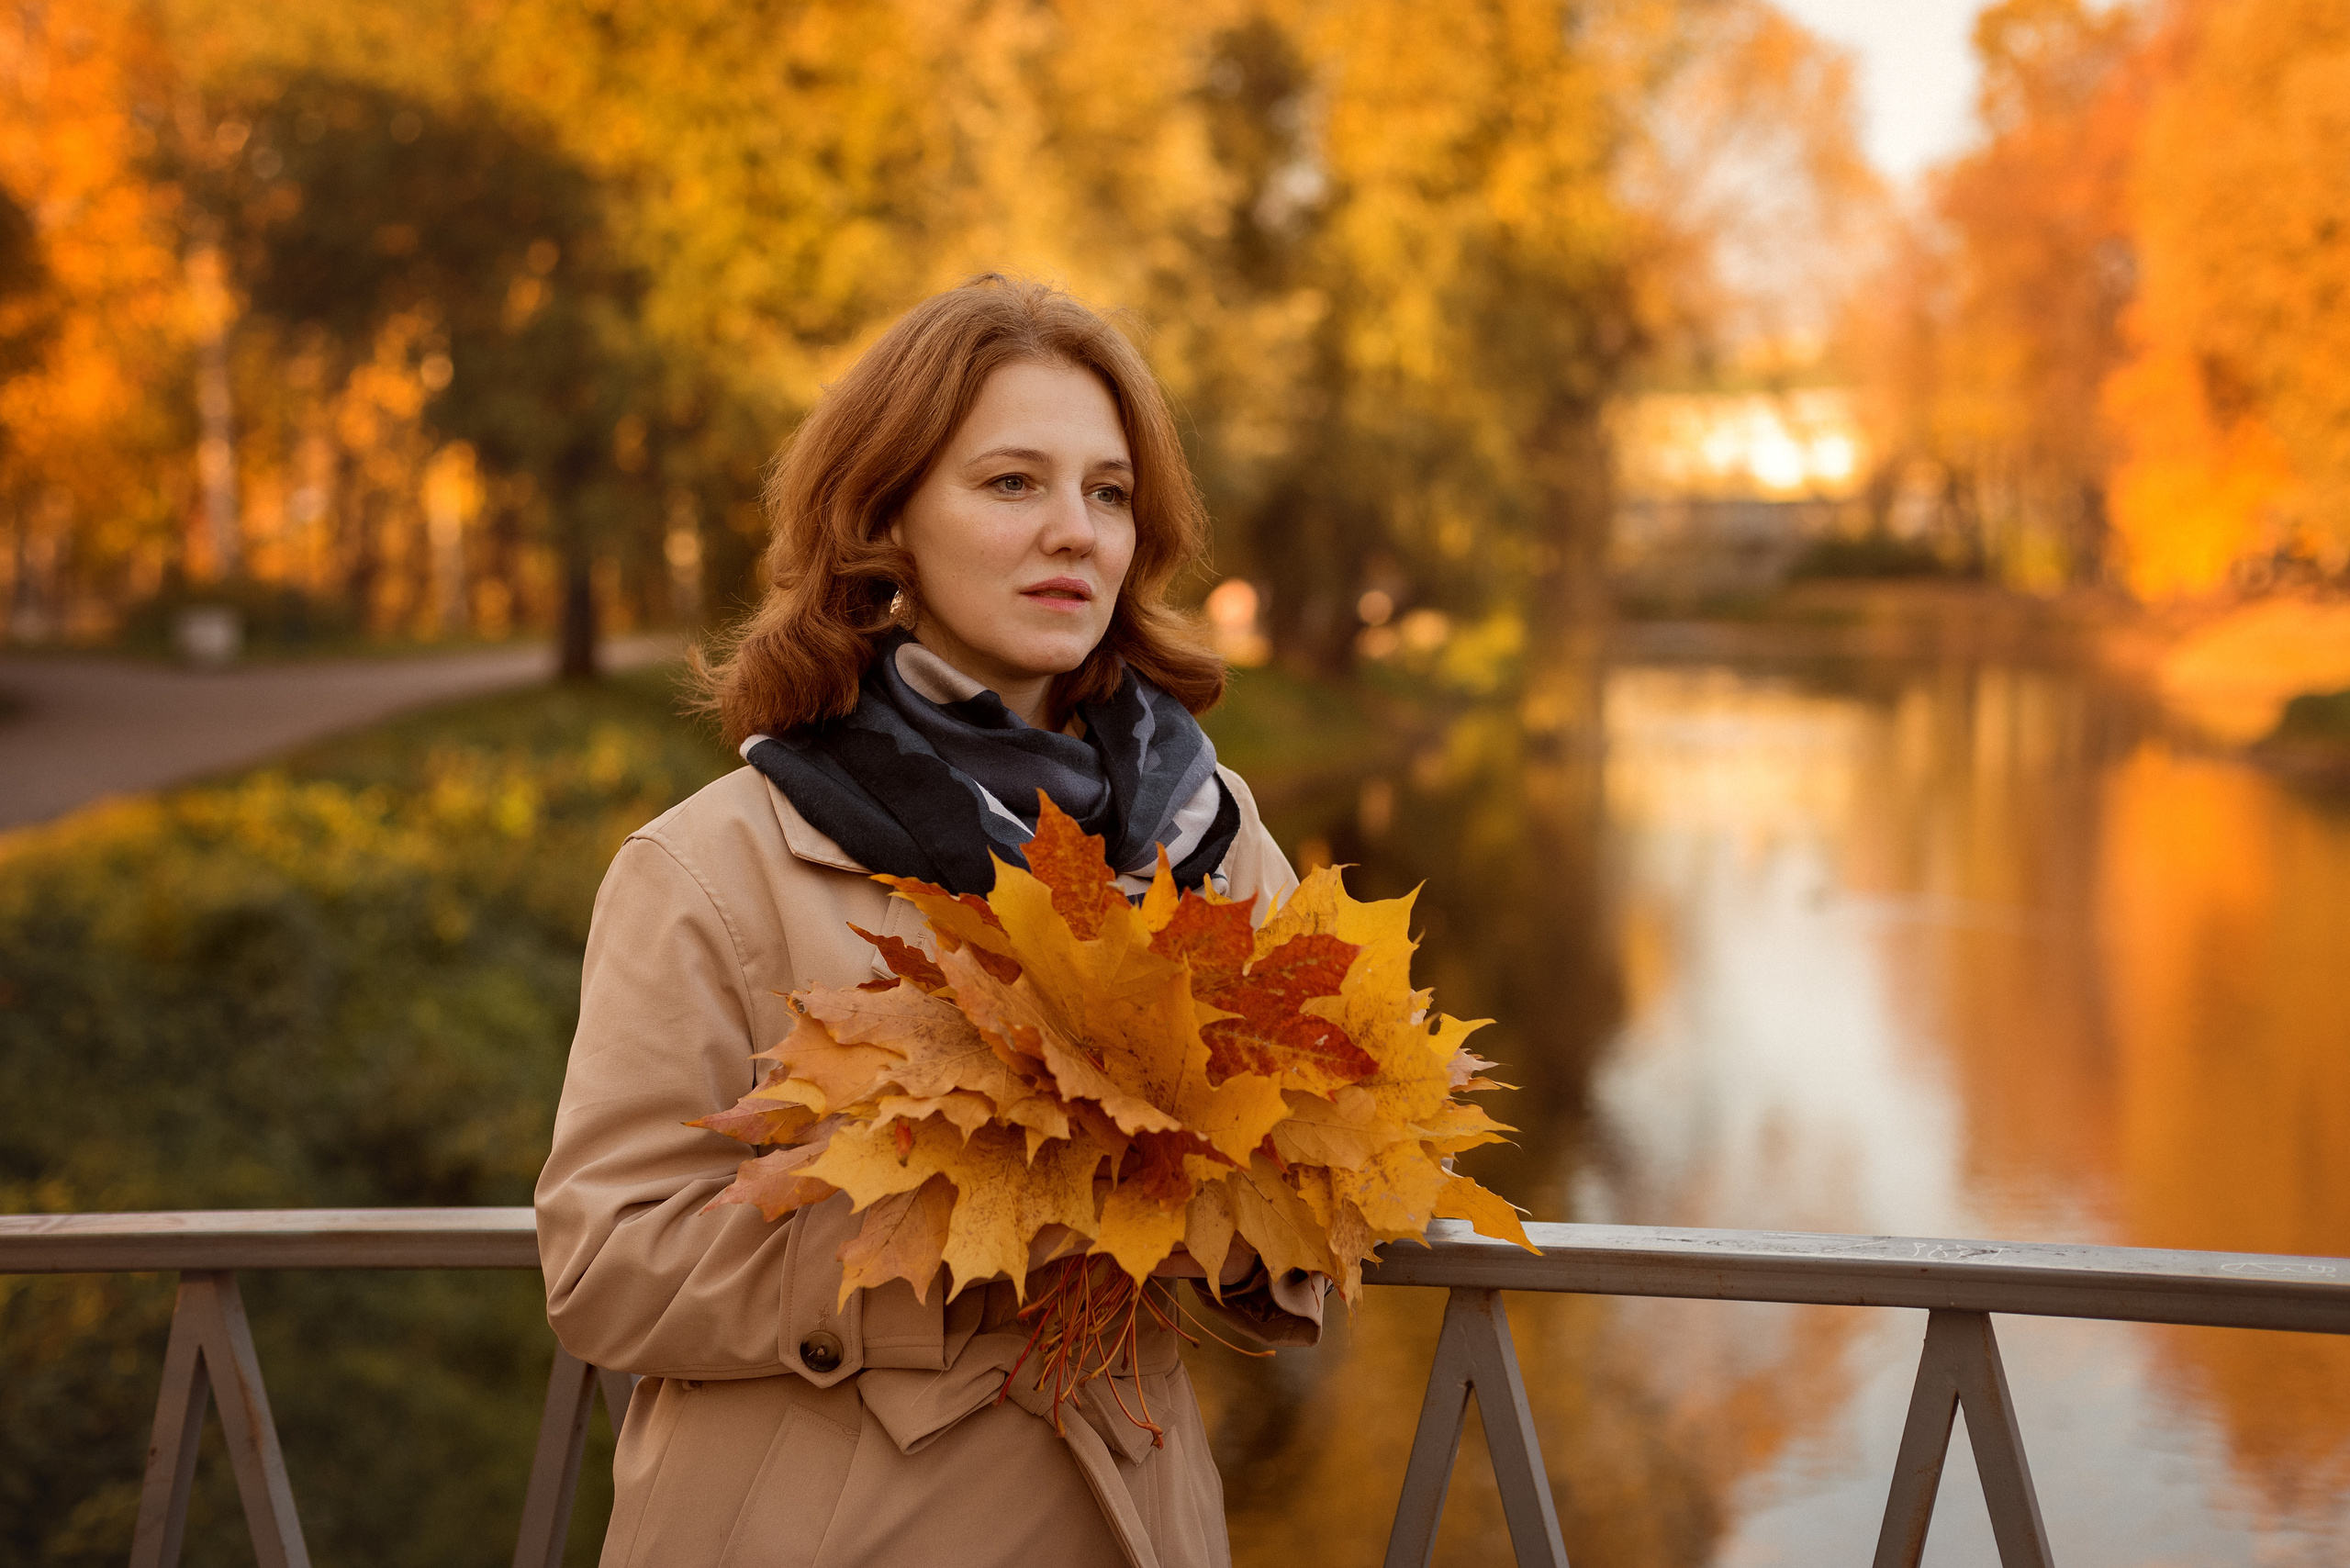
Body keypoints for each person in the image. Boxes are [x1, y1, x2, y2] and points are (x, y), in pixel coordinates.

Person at [535, 275, 1325, 1568]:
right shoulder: (712, 866)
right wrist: (983, 1220)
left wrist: (1239, 1224)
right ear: (883, 518)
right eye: (1012, 483)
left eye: (1108, 492)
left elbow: (1321, 1185)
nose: (1074, 531)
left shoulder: (1210, 832)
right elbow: (608, 1267)